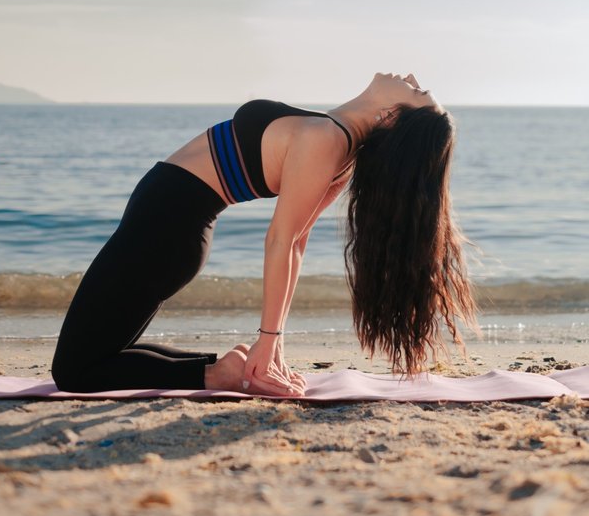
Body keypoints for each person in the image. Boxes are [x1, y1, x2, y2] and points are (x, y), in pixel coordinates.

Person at [52, 72, 476, 397]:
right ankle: (225, 368)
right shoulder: (335, 140)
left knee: (74, 373)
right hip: (167, 228)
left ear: (391, 117)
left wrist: (269, 339)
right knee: (99, 355)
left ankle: (218, 375)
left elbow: (285, 241)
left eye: (419, 91)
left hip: (164, 230)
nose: (412, 78)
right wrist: (273, 345)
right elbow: (296, 244)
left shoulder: (327, 141)